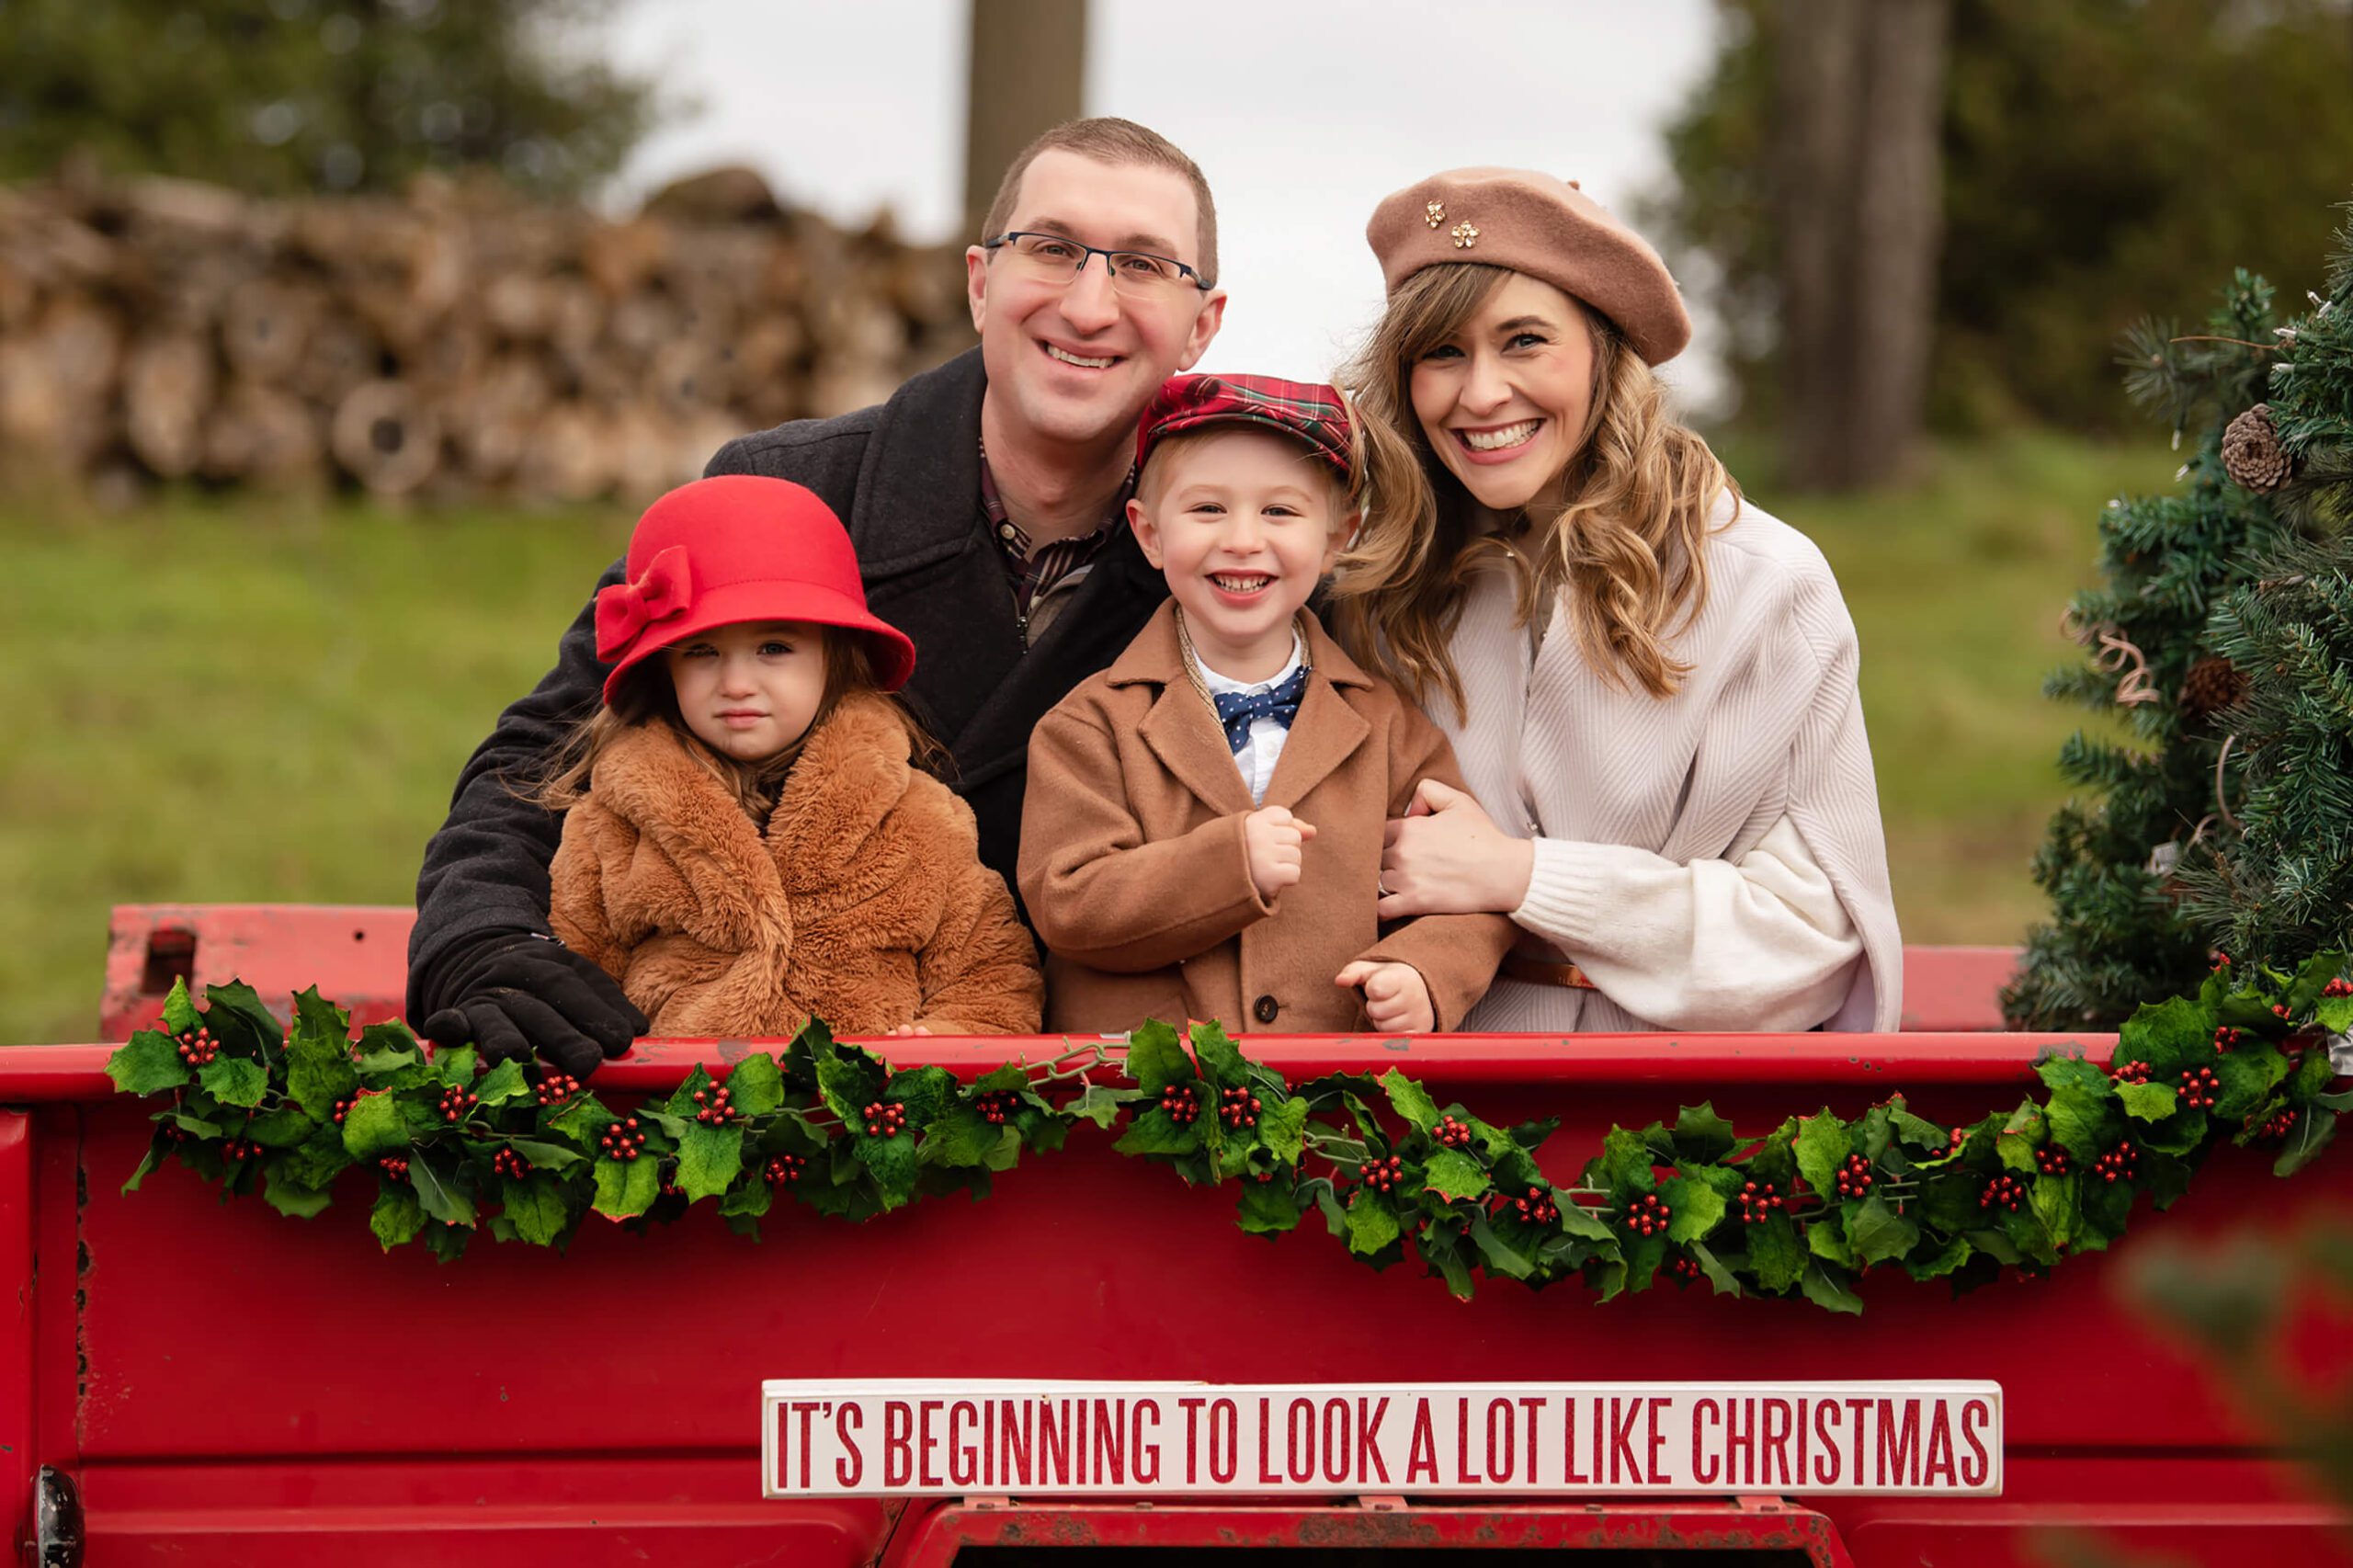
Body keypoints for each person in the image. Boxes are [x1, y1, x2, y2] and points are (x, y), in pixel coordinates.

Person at [409, 119, 1226, 1075]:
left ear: (1201, 324)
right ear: (979, 281)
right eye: (1050, 248)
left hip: (1105, 1095)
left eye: (1141, 264)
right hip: (750, 1090)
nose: (1089, 305)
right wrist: (488, 937)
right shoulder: (781, 494)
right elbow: (542, 757)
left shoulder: (1255, 552)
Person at [1332, 168, 1902, 1032]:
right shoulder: (1379, 588)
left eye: (1525, 340)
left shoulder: (1762, 581)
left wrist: (1523, 878)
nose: (1480, 394)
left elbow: (1809, 945)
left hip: (1673, 1117)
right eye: (1442, 352)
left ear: (1604, 351)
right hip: (1423, 1117)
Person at [1018, 374, 1514, 1035]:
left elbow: (1467, 890)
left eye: (1280, 512)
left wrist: (1424, 971)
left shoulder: (1390, 727)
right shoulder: (1089, 724)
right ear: (1150, 533)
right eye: (1207, 510)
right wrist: (1226, 865)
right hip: (1145, 1100)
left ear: (1338, 536)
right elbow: (1067, 902)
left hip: (1331, 1101)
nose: (1244, 540)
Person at [532, 476, 1042, 1038]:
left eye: (774, 648)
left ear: (836, 656)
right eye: (702, 652)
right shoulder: (610, 827)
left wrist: (944, 1045)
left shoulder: (919, 819)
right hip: (681, 1110)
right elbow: (575, 974)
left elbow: (991, 974)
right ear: (662, 670)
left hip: (870, 1112)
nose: (736, 683)